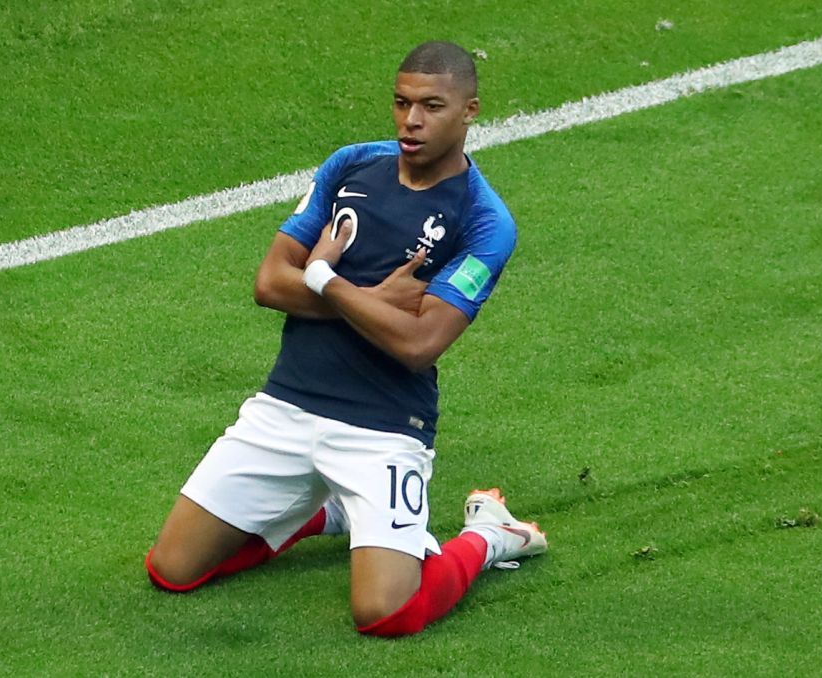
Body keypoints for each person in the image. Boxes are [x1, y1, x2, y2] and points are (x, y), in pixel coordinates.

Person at [144, 40, 547, 637]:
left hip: (382, 428)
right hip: (284, 407)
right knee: (171, 570)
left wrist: (326, 278)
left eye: (432, 106)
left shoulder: (485, 222)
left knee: (386, 613)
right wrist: (369, 300)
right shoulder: (350, 165)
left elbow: (418, 343)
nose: (411, 121)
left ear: (470, 111)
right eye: (401, 103)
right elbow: (268, 282)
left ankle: (489, 535)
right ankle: (325, 511)